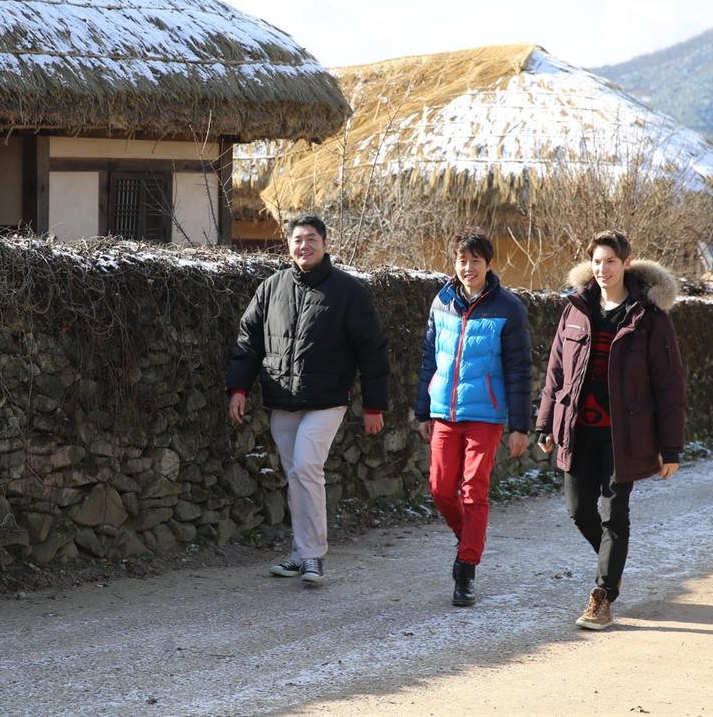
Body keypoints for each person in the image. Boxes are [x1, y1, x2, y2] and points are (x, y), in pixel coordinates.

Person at [226, 213, 390, 584]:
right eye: (298, 239)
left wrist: (374, 406)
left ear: (326, 244)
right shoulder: (271, 288)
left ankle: (313, 555)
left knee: (305, 468)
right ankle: (300, 554)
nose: (305, 245)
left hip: (327, 400)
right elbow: (247, 342)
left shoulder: (348, 291)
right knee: (296, 475)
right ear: (289, 245)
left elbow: (373, 351)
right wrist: (237, 388)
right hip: (282, 400)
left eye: (312, 239)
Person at [535, 230, 686, 630]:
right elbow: (555, 372)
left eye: (612, 262)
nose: (603, 269)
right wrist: (545, 422)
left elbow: (670, 384)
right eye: (597, 261)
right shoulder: (576, 308)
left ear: (627, 262)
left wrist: (670, 447)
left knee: (614, 513)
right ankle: (612, 558)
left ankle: (602, 596)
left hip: (626, 435)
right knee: (578, 509)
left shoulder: (649, 317)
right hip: (577, 428)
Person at [415, 228, 532, 606]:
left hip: (486, 414)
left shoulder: (508, 308)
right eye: (462, 261)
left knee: (473, 489)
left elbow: (519, 369)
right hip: (444, 413)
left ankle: (465, 568)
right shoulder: (441, 301)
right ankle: (469, 540)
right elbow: (429, 359)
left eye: (476, 261)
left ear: (489, 264)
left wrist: (519, 426)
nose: (468, 267)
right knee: (440, 488)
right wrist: (423, 409)